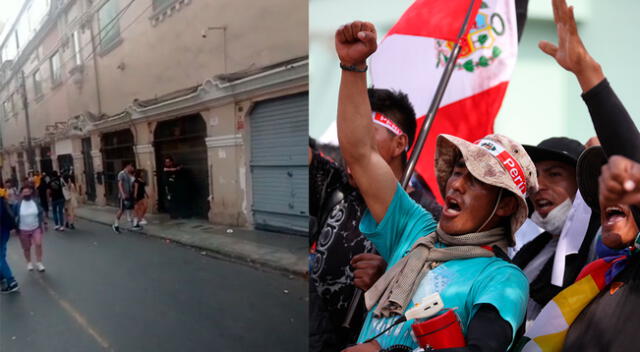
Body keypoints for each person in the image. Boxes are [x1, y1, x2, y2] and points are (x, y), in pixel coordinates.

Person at [335, 21, 537, 351]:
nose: (456, 183)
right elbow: (360, 154)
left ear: (505, 205)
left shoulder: (501, 279)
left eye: (476, 180)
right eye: (458, 170)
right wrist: (353, 67)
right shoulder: (414, 229)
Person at [310, 88, 442, 352]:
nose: (352, 147)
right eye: (350, 138)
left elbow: (435, 301)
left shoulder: (430, 220)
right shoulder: (337, 188)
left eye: (366, 137)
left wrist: (389, 279)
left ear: (399, 144)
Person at [512, 137, 597, 325]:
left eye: (554, 174)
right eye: (534, 176)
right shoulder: (529, 251)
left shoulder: (601, 242)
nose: (537, 186)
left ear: (583, 183)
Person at [14, 186, 47, 272]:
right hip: (23, 229)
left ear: (31, 193)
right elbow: (13, 216)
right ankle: (29, 262)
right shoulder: (17, 204)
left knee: (38, 244)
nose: (26, 194)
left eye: (28, 192)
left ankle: (39, 263)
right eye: (24, 192)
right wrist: (14, 228)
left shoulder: (35, 201)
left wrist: (45, 223)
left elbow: (41, 212)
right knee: (26, 248)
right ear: (21, 194)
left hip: (36, 227)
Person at [1, 194, 19, 293]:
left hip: (1, 232)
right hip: (4, 231)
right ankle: (2, 275)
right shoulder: (1, 198)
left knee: (0, 257)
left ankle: (11, 281)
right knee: (2, 254)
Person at [112, 162, 135, 233]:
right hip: (124, 195)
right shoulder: (121, 174)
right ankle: (115, 225)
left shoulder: (129, 174)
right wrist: (123, 194)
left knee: (130, 208)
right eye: (132, 167)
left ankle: (130, 221)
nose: (132, 169)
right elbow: (120, 184)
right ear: (128, 166)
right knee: (121, 210)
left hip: (129, 194)